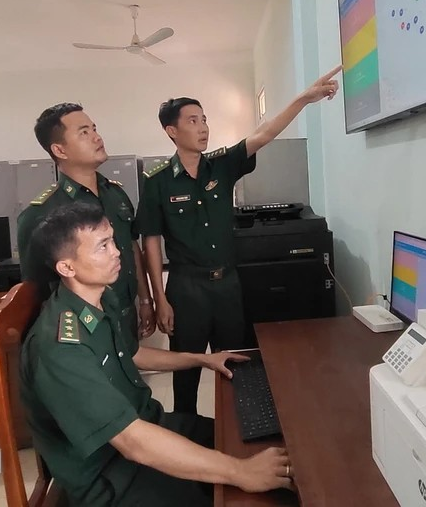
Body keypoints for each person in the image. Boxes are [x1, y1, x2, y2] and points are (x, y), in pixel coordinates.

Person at [20, 203, 294, 506]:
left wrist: (202, 359)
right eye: (102, 246)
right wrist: (240, 472)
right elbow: (131, 442)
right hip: (111, 476)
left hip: (148, 425)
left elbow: (132, 354)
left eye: (113, 240)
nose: (117, 252)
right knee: (243, 487)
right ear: (67, 268)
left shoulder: (100, 298)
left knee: (245, 441)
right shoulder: (60, 348)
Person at [137, 66, 341, 413]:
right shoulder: (157, 181)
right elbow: (151, 242)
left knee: (236, 368)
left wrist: (304, 99)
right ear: (171, 130)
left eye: (204, 119)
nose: (203, 127)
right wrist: (160, 299)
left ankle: (238, 428)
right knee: (186, 371)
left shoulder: (222, 165)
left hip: (227, 285)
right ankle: (187, 431)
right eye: (192, 121)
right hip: (186, 289)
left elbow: (264, 133)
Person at [16, 103, 155, 342]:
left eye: (94, 129)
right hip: (83, 330)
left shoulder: (115, 195)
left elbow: (131, 248)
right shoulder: (42, 214)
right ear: (60, 150)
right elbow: (35, 291)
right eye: (84, 132)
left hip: (126, 315)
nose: (97, 137)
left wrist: (145, 300)